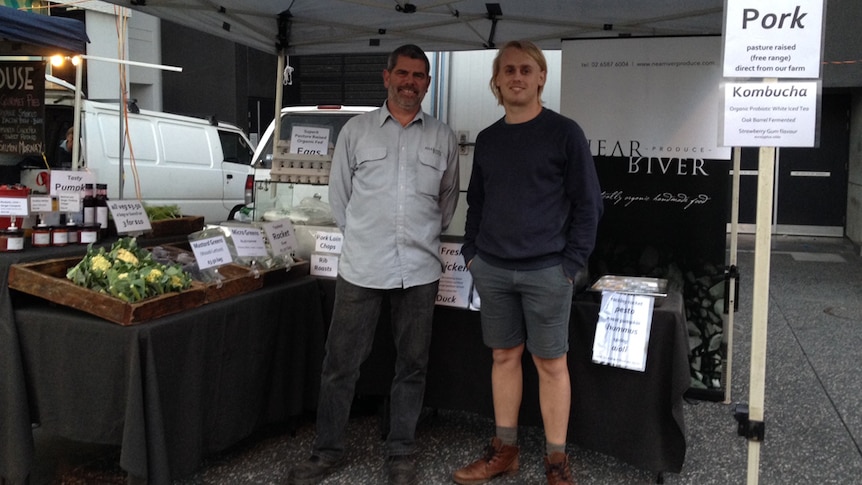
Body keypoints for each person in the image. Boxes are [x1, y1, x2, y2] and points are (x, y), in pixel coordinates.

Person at [287, 44, 460, 485]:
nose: (410, 82)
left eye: (419, 75)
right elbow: (340, 199)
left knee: (412, 366)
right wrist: (368, 236)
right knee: (341, 363)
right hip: (362, 267)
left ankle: (400, 452)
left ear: (428, 82)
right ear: (386, 77)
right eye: (402, 73)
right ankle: (327, 450)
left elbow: (447, 203)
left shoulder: (442, 137)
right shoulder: (356, 132)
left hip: (419, 271)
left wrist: (416, 239)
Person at [453, 40, 603, 485]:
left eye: (525, 69)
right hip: (493, 268)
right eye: (508, 70)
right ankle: (505, 451)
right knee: (504, 356)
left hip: (548, 271)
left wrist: (571, 264)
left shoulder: (565, 133)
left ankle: (556, 463)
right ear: (496, 81)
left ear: (541, 77)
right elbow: (476, 202)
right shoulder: (488, 139)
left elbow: (588, 205)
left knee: (551, 364)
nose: (516, 77)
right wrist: (472, 254)